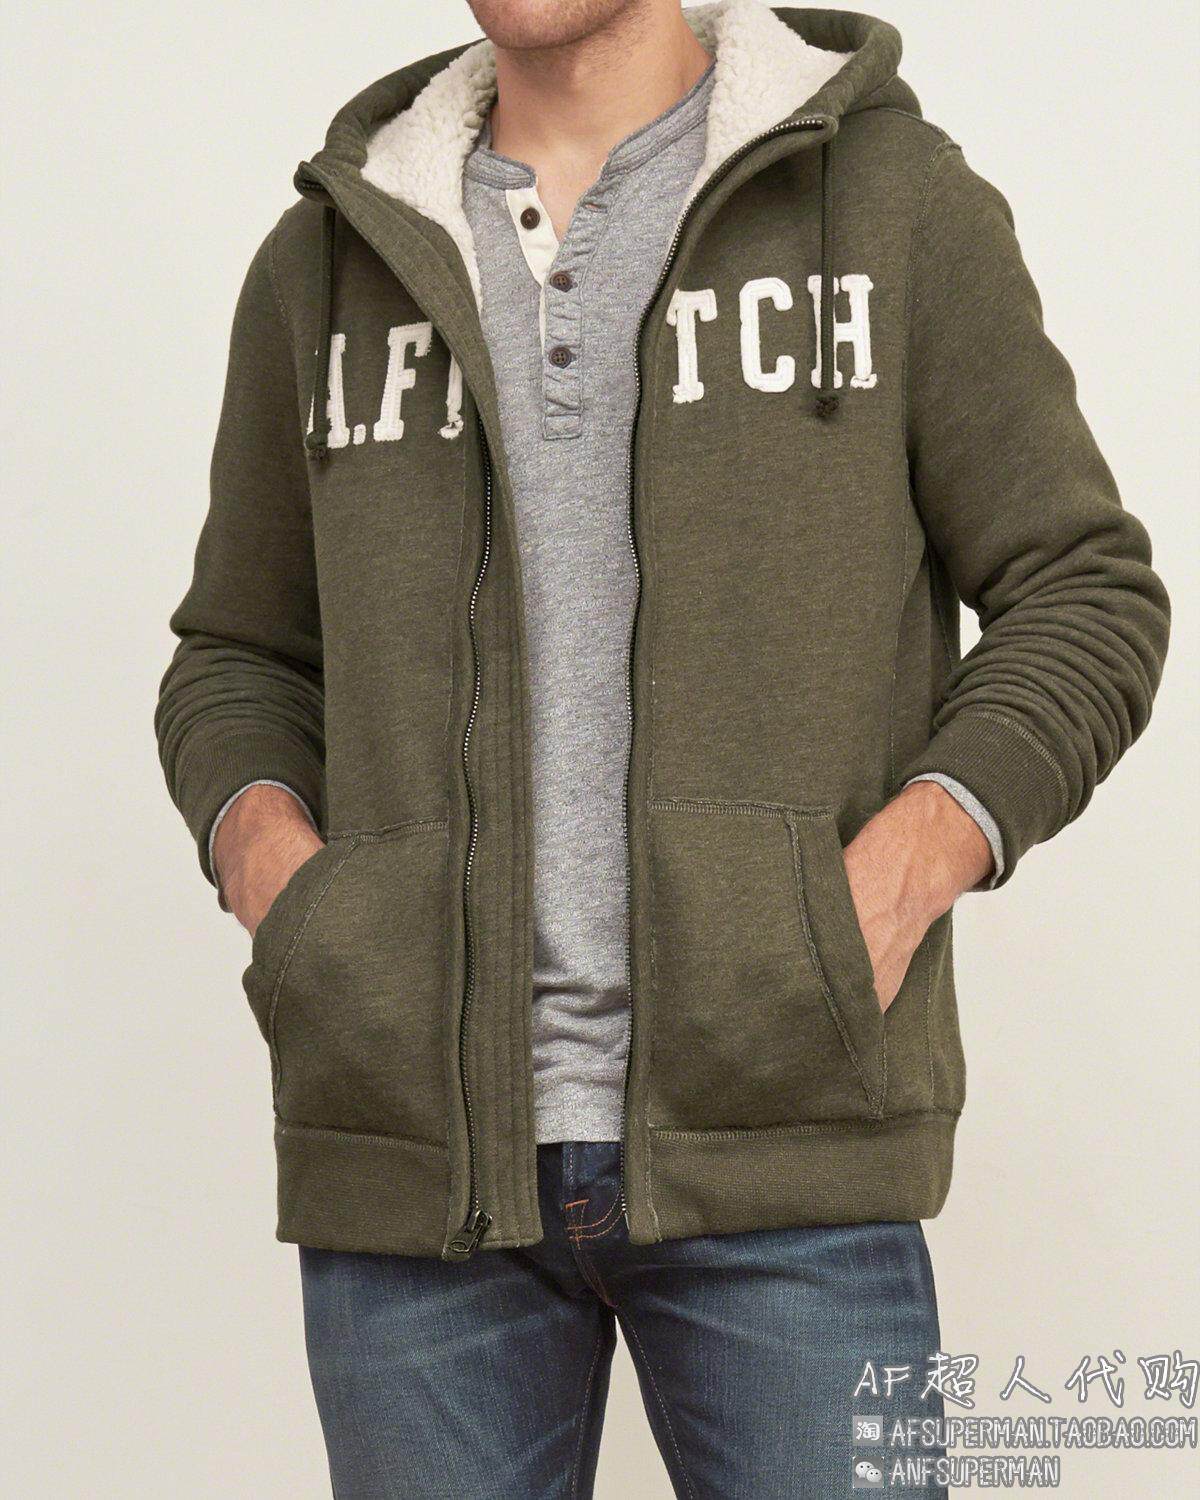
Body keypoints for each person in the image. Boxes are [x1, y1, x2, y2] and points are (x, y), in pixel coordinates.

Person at [155, 2, 1170, 1494]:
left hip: (789, 1152)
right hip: (418, 1179)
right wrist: (292, 893)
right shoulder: (326, 263)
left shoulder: (894, 208)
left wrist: (891, 882)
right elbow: (239, 655)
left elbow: (1084, 592)